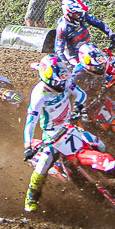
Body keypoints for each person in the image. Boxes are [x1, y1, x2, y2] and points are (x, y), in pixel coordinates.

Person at [21, 55, 98, 213]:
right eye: (57, 81)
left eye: (62, 80)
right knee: (44, 163)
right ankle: (32, 196)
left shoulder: (66, 82)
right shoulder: (38, 95)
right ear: (47, 78)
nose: (61, 84)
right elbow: (30, 122)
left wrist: (78, 107)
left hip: (70, 125)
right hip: (52, 134)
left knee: (96, 142)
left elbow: (81, 94)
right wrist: (28, 146)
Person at [53, 0, 115, 68]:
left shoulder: (83, 16)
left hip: (87, 51)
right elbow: (59, 50)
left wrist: (112, 35)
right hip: (73, 58)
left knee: (105, 64)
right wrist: (67, 64)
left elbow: (98, 23)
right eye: (77, 14)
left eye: (82, 13)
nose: (81, 17)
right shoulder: (63, 27)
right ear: (68, 13)